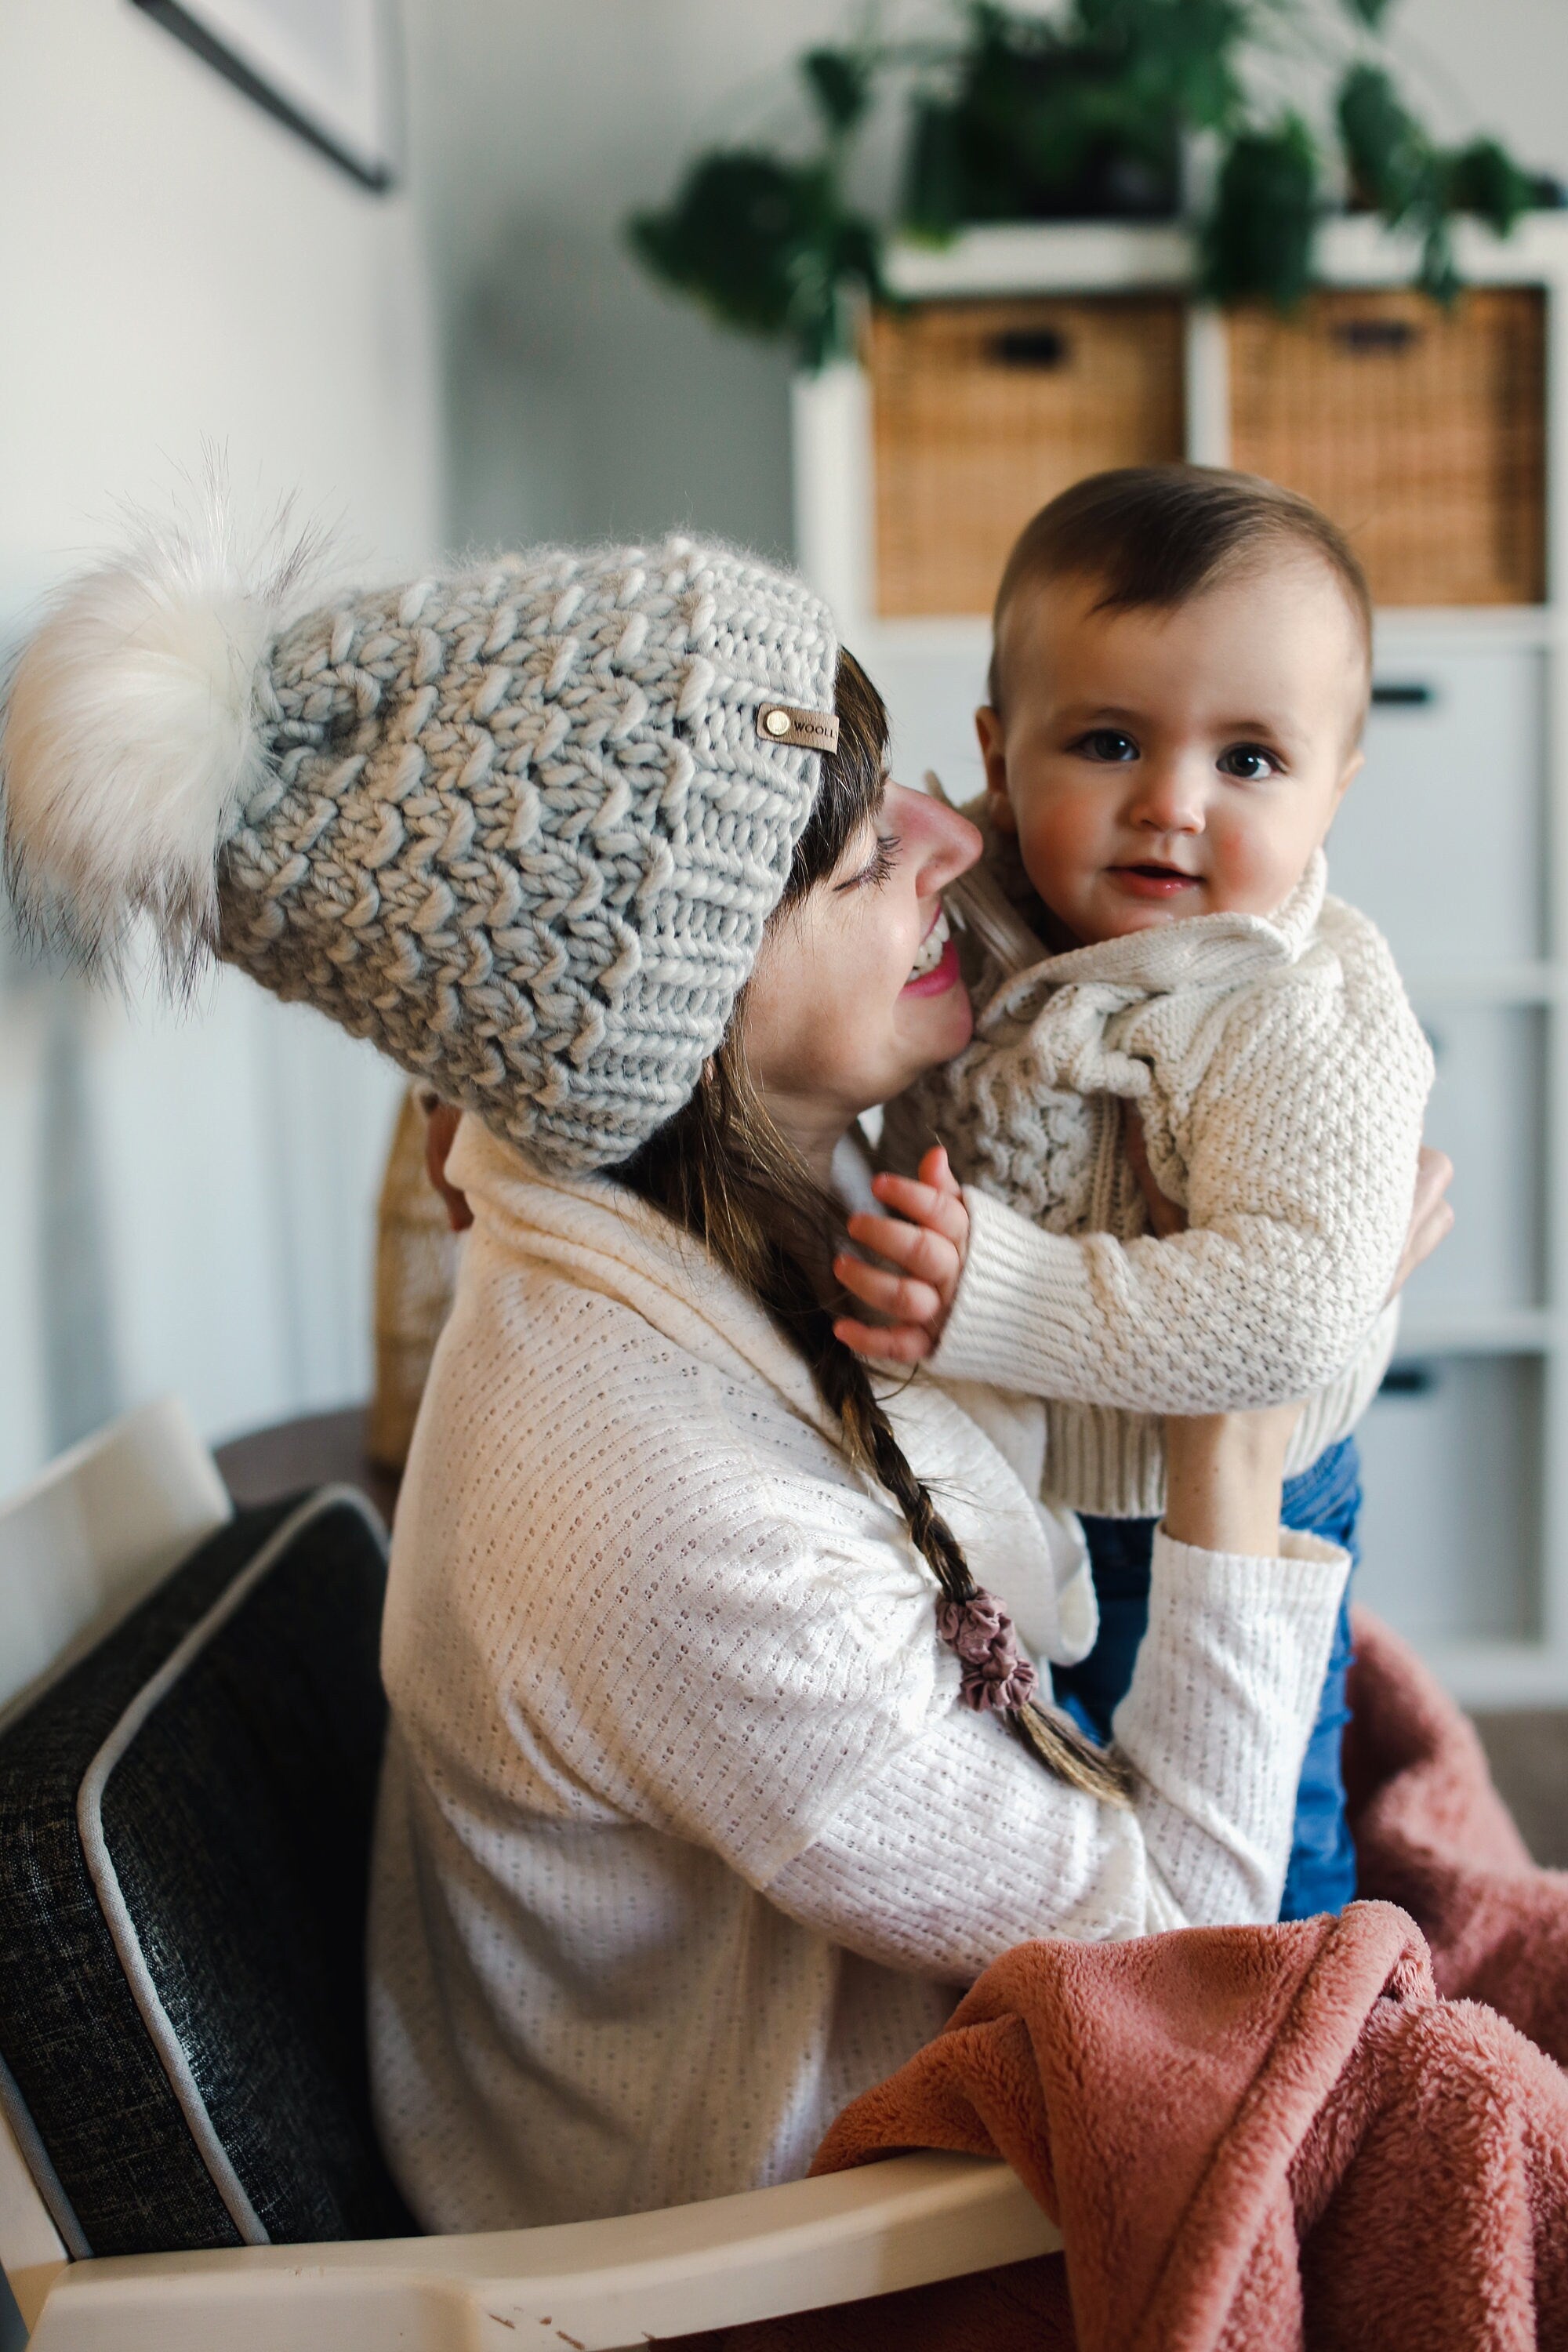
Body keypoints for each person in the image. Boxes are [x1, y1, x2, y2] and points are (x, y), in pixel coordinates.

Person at [0, 513, 1448, 2235]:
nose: (947, 838)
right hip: (778, 2237)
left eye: (901, 780)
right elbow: (1193, 1947)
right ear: (679, 1017)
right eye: (851, 867)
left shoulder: (704, 1179)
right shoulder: (655, 1513)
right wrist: (1243, 1415)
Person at [855, 466, 1434, 1922]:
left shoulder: (1293, 1007)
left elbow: (1291, 1310)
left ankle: (1306, 2024)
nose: (1171, 806)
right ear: (999, 754)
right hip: (1015, 1493)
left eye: (1249, 761)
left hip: (1217, 1503)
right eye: (1109, 741)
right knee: (1057, 1813)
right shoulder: (966, 907)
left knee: (1261, 1827)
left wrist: (999, 1297)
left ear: (1336, 788)